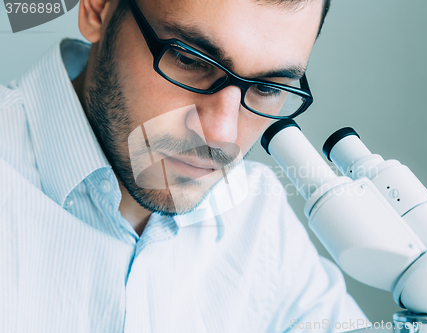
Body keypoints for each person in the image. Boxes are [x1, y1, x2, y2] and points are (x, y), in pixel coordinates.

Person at [0, 0, 367, 331]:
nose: (220, 134)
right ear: (98, 9)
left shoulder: (259, 216)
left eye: (268, 88)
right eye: (189, 58)